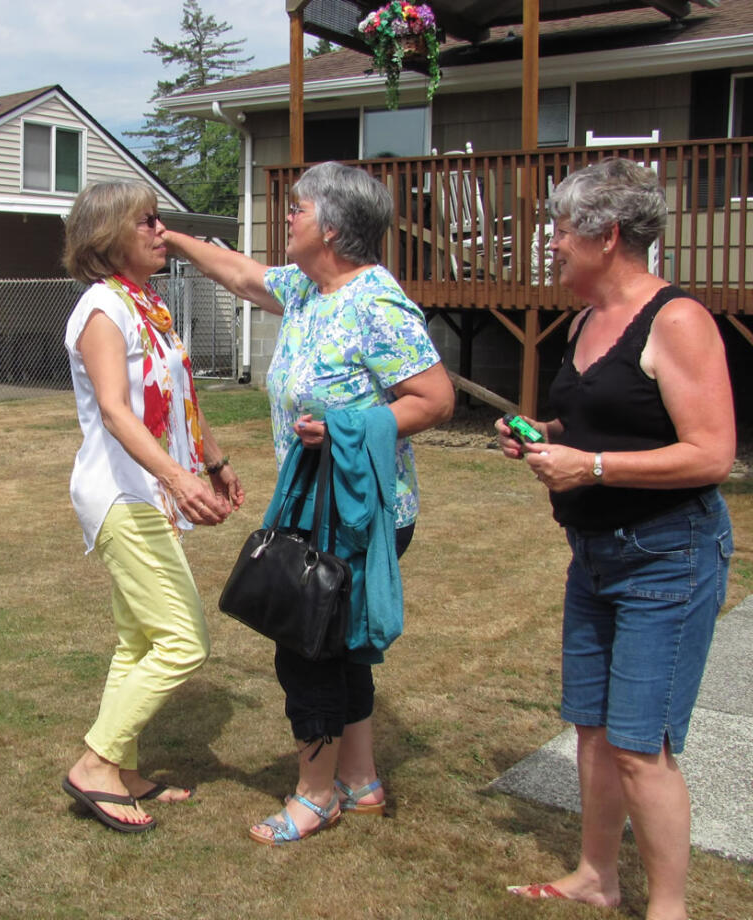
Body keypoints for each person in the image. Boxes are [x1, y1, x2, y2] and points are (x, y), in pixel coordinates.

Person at [161, 161, 454, 845]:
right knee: (342, 645)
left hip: (355, 511)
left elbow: (435, 399)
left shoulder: (375, 304)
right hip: (316, 507)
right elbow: (237, 271)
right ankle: (359, 779)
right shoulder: (307, 289)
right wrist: (174, 239)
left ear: (329, 227)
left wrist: (347, 427)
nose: (286, 217)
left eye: (296, 209)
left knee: (309, 646)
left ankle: (315, 794)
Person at [496, 159, 733, 920]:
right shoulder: (588, 320)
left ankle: (670, 909)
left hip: (668, 553)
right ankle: (598, 875)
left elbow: (711, 453)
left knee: (640, 745)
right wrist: (548, 435)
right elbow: (609, 415)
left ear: (608, 235)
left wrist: (590, 466)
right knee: (593, 730)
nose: (552, 245)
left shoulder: (678, 320)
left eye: (561, 231)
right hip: (594, 556)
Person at [60, 181, 244, 833]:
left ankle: (124, 768)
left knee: (139, 637)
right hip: (120, 492)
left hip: (150, 489)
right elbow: (114, 410)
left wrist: (212, 464)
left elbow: (178, 397)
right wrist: (178, 478)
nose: (160, 231)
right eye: (147, 222)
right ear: (108, 235)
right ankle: (97, 763)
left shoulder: (148, 307)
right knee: (181, 639)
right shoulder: (103, 309)